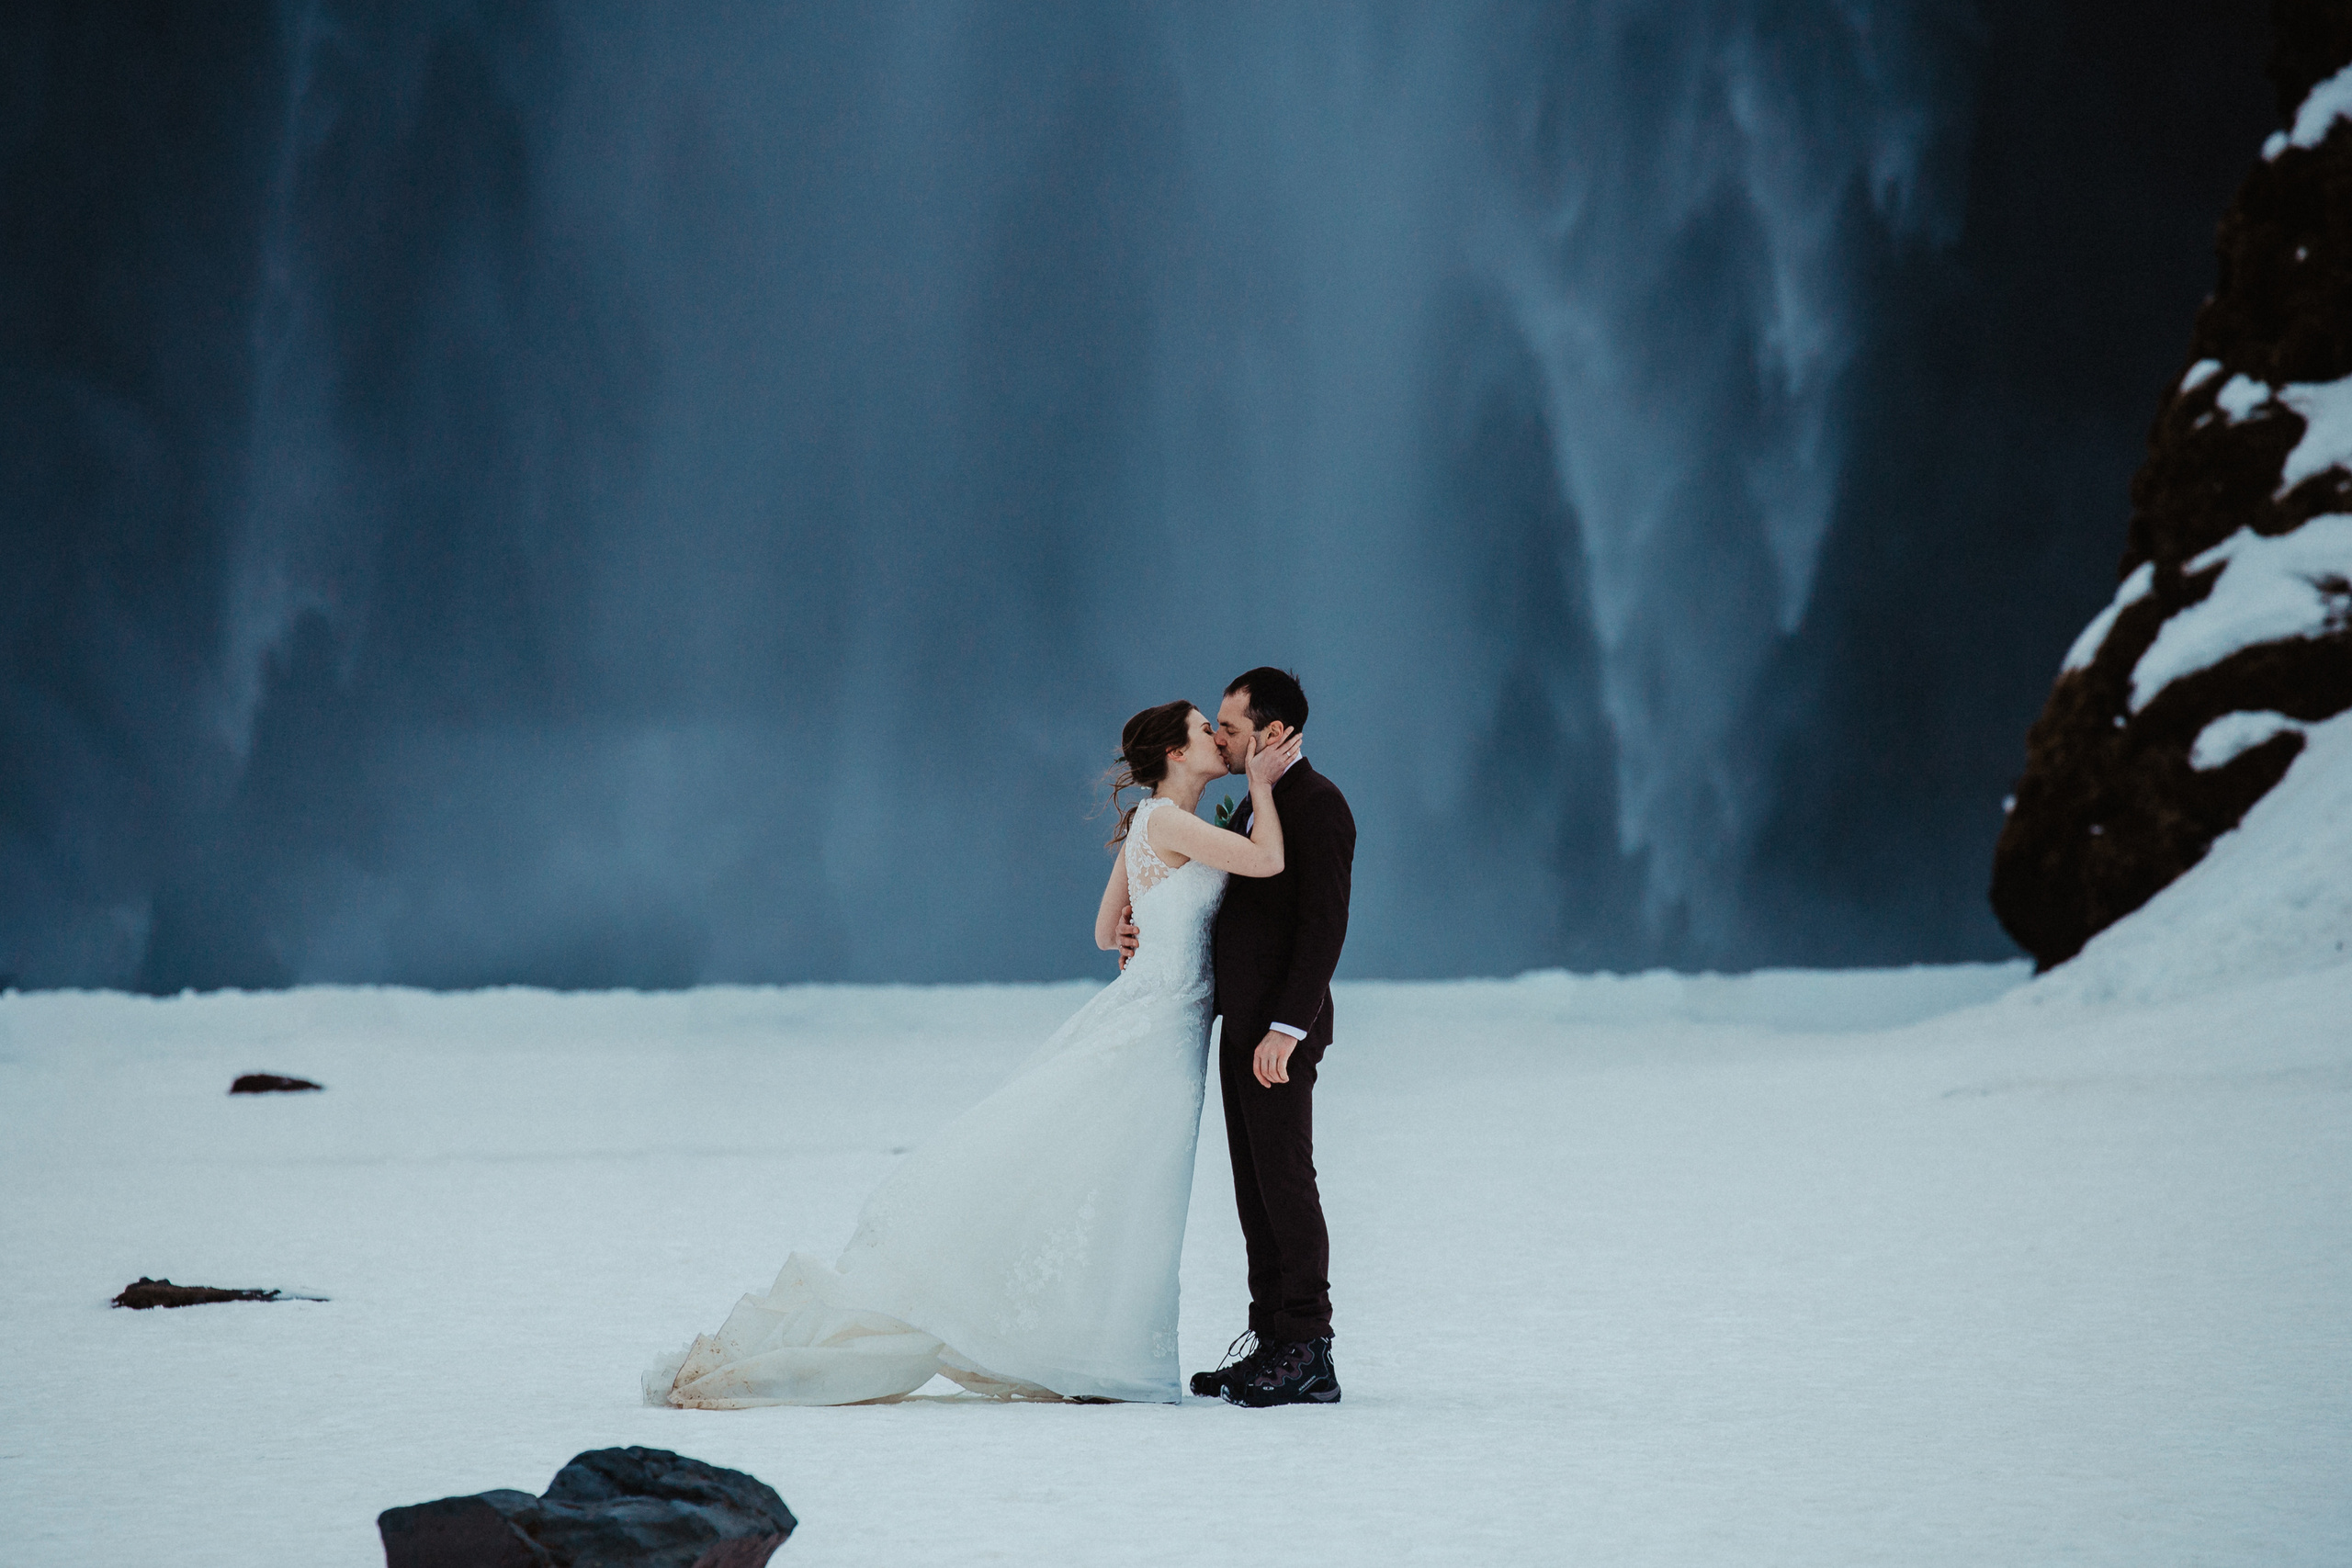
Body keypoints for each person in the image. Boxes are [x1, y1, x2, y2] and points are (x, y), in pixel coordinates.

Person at [646, 701, 1301, 1405]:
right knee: (1132, 1186)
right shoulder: (1171, 821)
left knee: (1116, 1181)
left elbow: (1106, 930)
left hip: (1155, 1018)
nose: (1217, 737)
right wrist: (1263, 787)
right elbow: (1266, 860)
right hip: (1159, 1030)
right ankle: (1104, 1355)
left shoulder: (1148, 822)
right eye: (1206, 728)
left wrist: (1143, 939)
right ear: (1176, 752)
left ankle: (1096, 1349)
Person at [1121, 668, 1354, 1408]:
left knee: (1286, 1180)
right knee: (1254, 1189)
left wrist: (1288, 1028)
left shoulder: (1318, 806)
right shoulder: (1257, 807)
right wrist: (1142, 926)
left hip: (1279, 1031)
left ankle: (1310, 1348)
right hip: (1240, 1024)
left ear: (1273, 732)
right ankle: (1272, 1341)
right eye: (1214, 727)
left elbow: (1323, 930)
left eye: (1231, 726)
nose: (1220, 738)